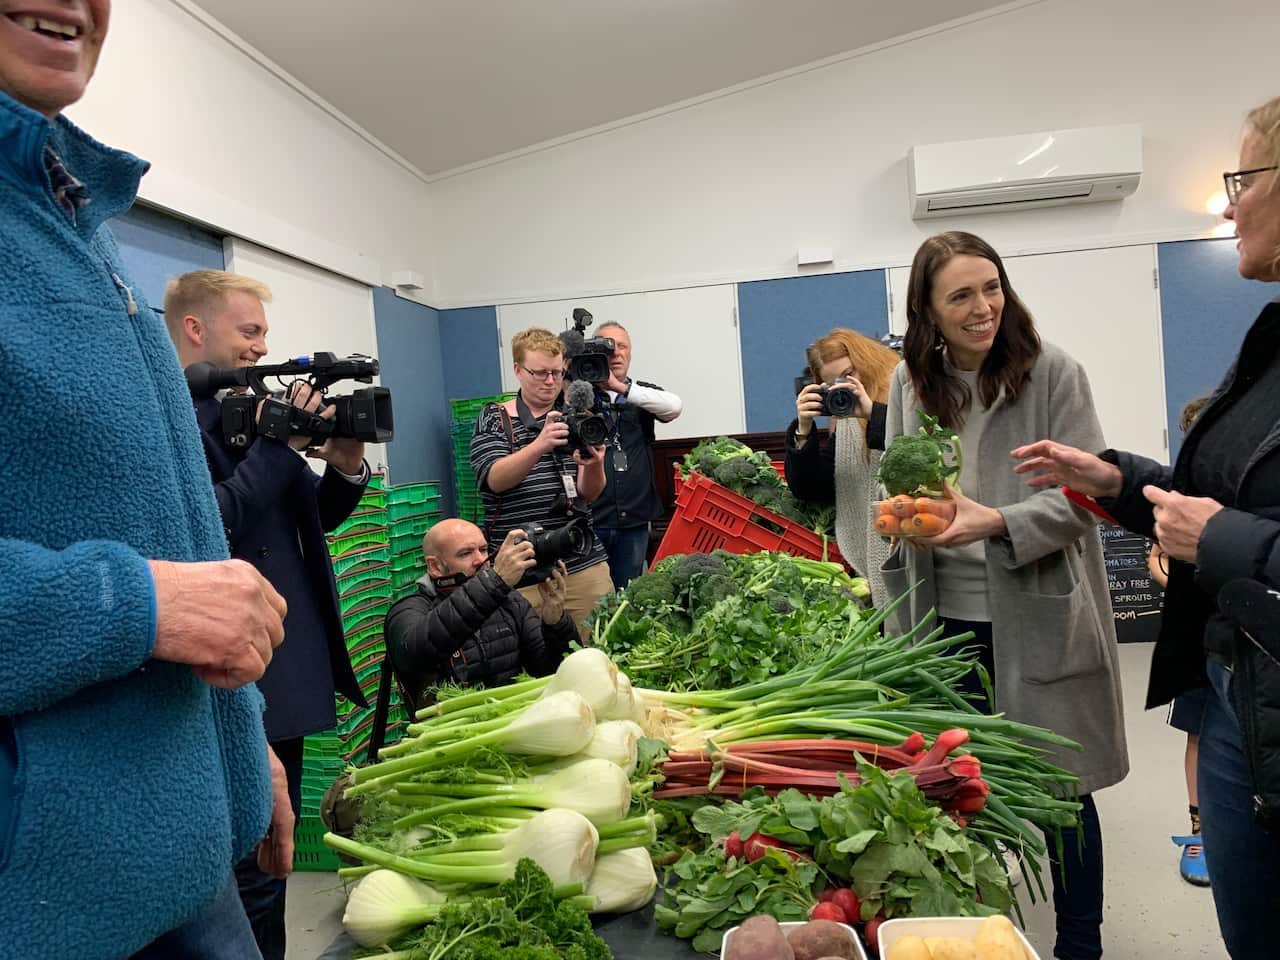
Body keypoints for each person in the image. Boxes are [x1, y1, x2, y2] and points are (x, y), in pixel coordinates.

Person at [0, 3, 291, 956]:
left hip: (184, 858)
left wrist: (239, 744)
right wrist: (138, 605)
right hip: (49, 903)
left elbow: (184, 544)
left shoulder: (72, 214)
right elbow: (162, 589)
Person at [1013, 95, 1280, 959]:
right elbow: (1217, 495)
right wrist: (1120, 481)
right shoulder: (1271, 339)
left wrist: (1228, 543)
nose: (1230, 205)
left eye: (1246, 178)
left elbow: (1233, 526)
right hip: (1243, 692)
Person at [880, 231, 1128, 960]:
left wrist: (998, 521)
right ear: (926, 309)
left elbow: (1088, 500)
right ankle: (975, 935)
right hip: (944, 625)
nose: (984, 306)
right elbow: (903, 481)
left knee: (1062, 791)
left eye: (992, 287)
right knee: (955, 791)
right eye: (960, 294)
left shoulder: (1053, 373)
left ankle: (1081, 946)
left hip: (1037, 612)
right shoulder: (908, 382)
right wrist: (902, 521)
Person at [164, 271, 370, 957]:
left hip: (284, 661)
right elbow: (210, 525)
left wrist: (343, 461)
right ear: (196, 329)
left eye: (262, 335)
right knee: (252, 864)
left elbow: (309, 514)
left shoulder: (245, 410)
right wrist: (278, 451)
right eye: (248, 332)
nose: (259, 348)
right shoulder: (174, 420)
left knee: (271, 864)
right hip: (237, 670)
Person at [470, 327, 613, 634]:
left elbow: (589, 494)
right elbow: (492, 479)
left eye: (557, 373)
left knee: (601, 653)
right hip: (521, 571)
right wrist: (540, 444)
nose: (550, 382)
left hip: (581, 562)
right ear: (517, 370)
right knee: (530, 666)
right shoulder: (495, 418)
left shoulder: (576, 417)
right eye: (540, 373)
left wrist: (595, 464)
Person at [384, 519, 576, 712]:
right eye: (465, 553)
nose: (480, 560)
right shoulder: (410, 609)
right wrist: (495, 582)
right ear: (435, 566)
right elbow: (415, 652)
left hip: (515, 718)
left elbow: (548, 671)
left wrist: (555, 622)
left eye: (484, 550)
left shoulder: (510, 601)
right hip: (453, 732)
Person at [784, 329, 901, 603]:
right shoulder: (846, 418)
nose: (846, 385)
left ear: (868, 359)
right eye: (834, 382)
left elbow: (917, 444)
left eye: (851, 373)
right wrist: (803, 428)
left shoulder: (905, 388)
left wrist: (872, 413)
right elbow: (813, 486)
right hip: (873, 558)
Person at [1147, 397, 1212, 888]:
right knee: (1198, 732)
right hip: (1198, 638)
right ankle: (1200, 832)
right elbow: (1158, 562)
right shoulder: (1180, 500)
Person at [590, 322, 684, 590]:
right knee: (593, 599)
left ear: (630, 353)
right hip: (593, 519)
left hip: (634, 519)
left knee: (627, 596)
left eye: (622, 346)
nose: (616, 353)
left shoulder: (641, 393)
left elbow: (674, 407)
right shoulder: (579, 394)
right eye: (607, 346)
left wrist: (620, 388)